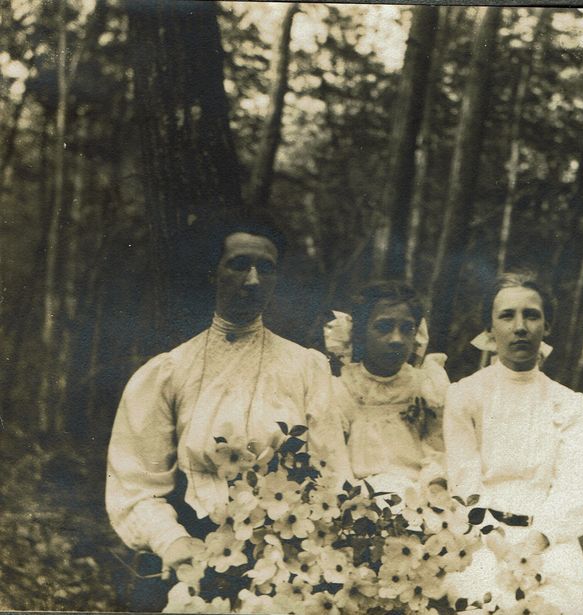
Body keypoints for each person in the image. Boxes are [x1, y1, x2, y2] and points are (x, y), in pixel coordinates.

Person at [105, 215, 350, 610]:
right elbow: (135, 485)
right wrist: (172, 541)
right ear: (212, 273)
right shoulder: (170, 371)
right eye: (238, 265)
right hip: (196, 545)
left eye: (266, 268)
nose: (253, 281)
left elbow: (331, 471)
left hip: (289, 549)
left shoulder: (306, 367)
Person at [443, 271, 583, 614]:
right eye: (507, 316)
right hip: (483, 541)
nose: (520, 327)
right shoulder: (464, 395)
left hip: (550, 543)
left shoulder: (568, 403)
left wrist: (536, 542)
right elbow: (463, 482)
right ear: (490, 328)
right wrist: (500, 546)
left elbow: (581, 487)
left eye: (531, 315)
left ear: (547, 326)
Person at [325, 281, 449, 497]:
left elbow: (437, 449)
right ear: (360, 333)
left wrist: (434, 487)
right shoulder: (341, 390)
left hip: (418, 496)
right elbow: (335, 461)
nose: (396, 339)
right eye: (384, 327)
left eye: (407, 329)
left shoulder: (426, 387)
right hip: (359, 499)